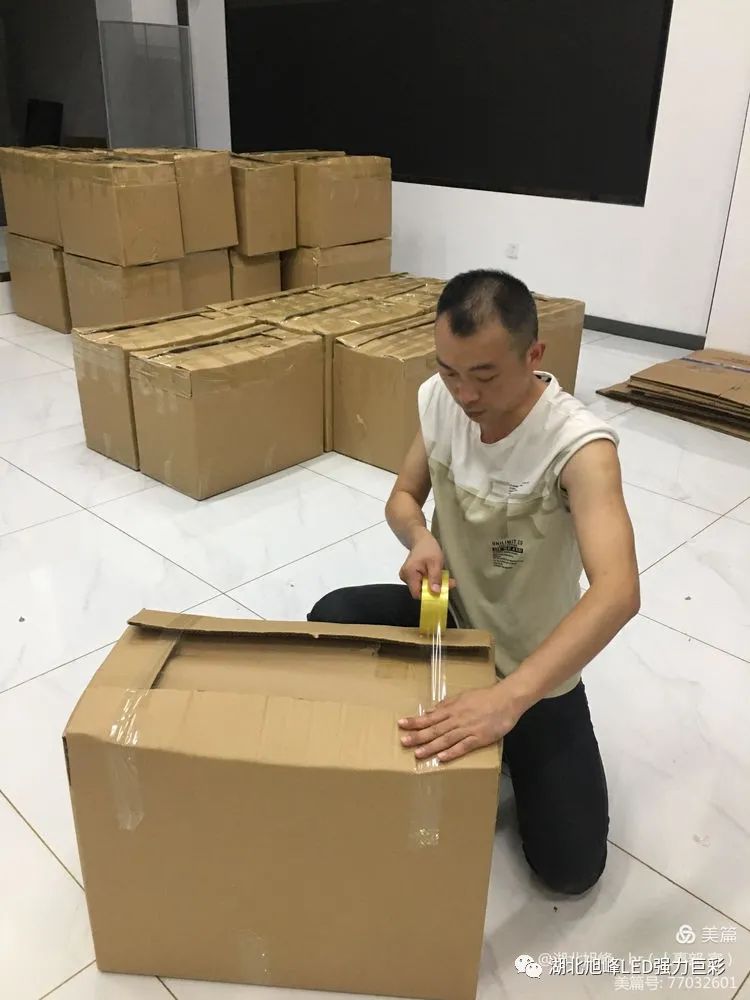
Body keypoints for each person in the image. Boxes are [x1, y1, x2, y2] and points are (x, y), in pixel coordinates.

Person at [309, 269, 639, 895]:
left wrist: (507, 700)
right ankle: (445, 712)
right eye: (449, 371)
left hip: (531, 668)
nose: (464, 394)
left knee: (570, 869)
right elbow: (403, 497)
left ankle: (499, 733)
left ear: (534, 355)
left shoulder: (579, 447)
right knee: (333, 616)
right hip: (450, 624)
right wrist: (421, 538)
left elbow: (618, 591)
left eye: (484, 376)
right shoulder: (440, 401)